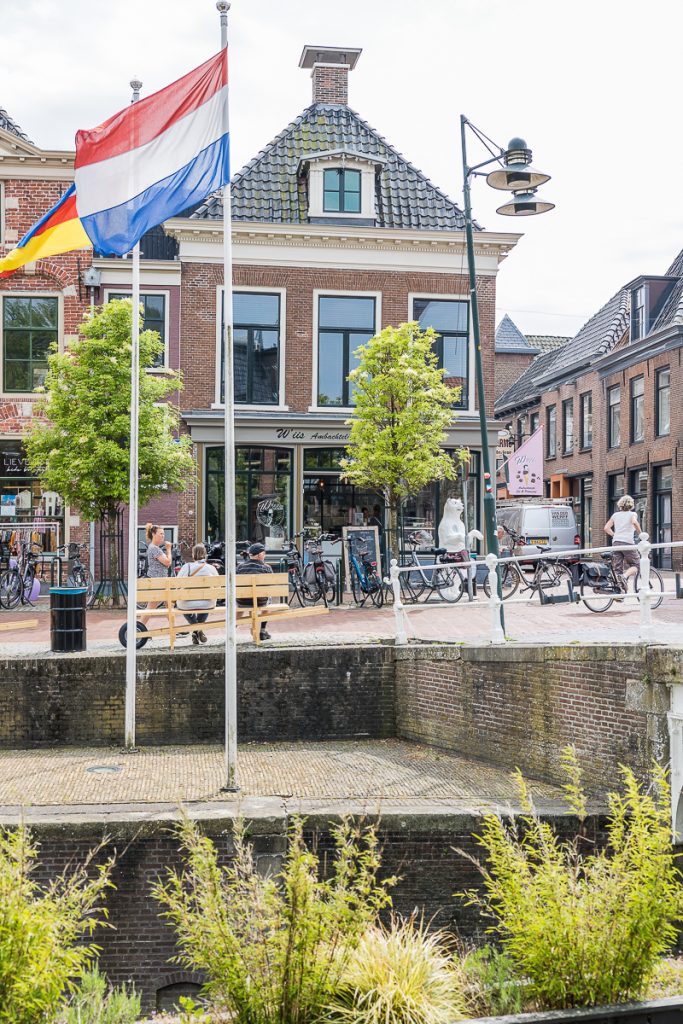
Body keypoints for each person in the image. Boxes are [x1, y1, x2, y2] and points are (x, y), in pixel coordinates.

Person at [176, 543, 218, 645]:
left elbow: (177, 584)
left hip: (187, 604)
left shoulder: (186, 567)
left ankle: (196, 630)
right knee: (207, 600)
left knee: (183, 603)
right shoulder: (211, 568)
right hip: (207, 603)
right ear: (205, 554)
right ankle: (198, 630)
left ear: (193, 555)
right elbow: (218, 586)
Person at [236, 542, 273, 640]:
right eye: (264, 553)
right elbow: (270, 587)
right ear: (259, 554)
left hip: (242, 601)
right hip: (261, 601)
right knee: (268, 600)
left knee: (239, 602)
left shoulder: (240, 567)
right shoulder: (266, 568)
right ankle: (262, 630)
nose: (265, 555)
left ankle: (232, 628)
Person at [604, 495, 641, 590]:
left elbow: (606, 528)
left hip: (616, 543)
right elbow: (634, 522)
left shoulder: (615, 515)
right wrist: (641, 534)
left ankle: (619, 591)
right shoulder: (632, 514)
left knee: (617, 569)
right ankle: (624, 577)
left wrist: (615, 535)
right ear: (631, 505)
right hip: (627, 543)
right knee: (637, 565)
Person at [139, 523, 172, 626]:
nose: (163, 536)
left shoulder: (155, 547)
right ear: (153, 534)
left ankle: (174, 628)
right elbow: (167, 562)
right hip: (157, 582)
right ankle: (139, 627)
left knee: (168, 605)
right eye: (160, 533)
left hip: (161, 581)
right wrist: (168, 549)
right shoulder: (154, 548)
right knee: (151, 606)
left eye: (163, 534)